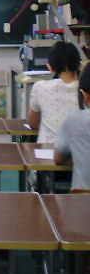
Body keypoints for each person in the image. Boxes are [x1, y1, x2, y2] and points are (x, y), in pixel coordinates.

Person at [27, 41, 81, 143]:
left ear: (50, 67)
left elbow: (33, 123)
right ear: (79, 65)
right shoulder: (85, 90)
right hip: (80, 150)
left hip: (48, 149)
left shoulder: (40, 87)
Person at [55, 63, 90, 191]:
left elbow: (58, 158)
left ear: (84, 95)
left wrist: (79, 155)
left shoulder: (74, 120)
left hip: (82, 200)